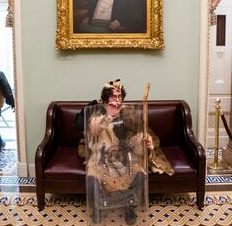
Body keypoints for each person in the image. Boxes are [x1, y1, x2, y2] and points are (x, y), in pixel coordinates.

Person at [74, 79, 173, 225]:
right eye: (114, 97)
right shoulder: (96, 112)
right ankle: (98, 207)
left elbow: (134, 138)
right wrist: (109, 116)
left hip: (124, 158)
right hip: (101, 160)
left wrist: (144, 141)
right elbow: (94, 132)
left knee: (140, 174)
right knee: (91, 178)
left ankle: (129, 205)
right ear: (107, 98)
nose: (117, 100)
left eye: (119, 97)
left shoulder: (128, 113)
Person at [73, 0, 147, 33]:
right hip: (90, 23)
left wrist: (119, 22)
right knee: (75, 28)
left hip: (108, 26)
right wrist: (88, 17)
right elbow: (93, 5)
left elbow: (136, 13)